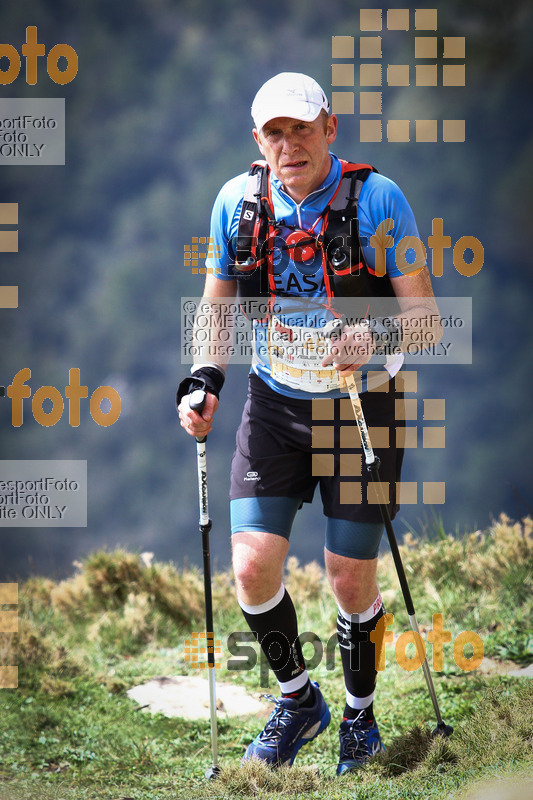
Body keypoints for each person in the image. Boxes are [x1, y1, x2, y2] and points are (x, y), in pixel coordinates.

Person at [178, 72, 441, 775]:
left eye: (301, 129)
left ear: (329, 128)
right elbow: (217, 306)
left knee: (348, 579)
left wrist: (374, 340)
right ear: (258, 143)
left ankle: (359, 714)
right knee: (251, 569)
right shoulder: (237, 205)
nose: (288, 144)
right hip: (274, 404)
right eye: (274, 133)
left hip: (360, 406)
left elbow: (425, 322)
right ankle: (298, 701)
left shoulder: (376, 201)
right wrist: (205, 382)